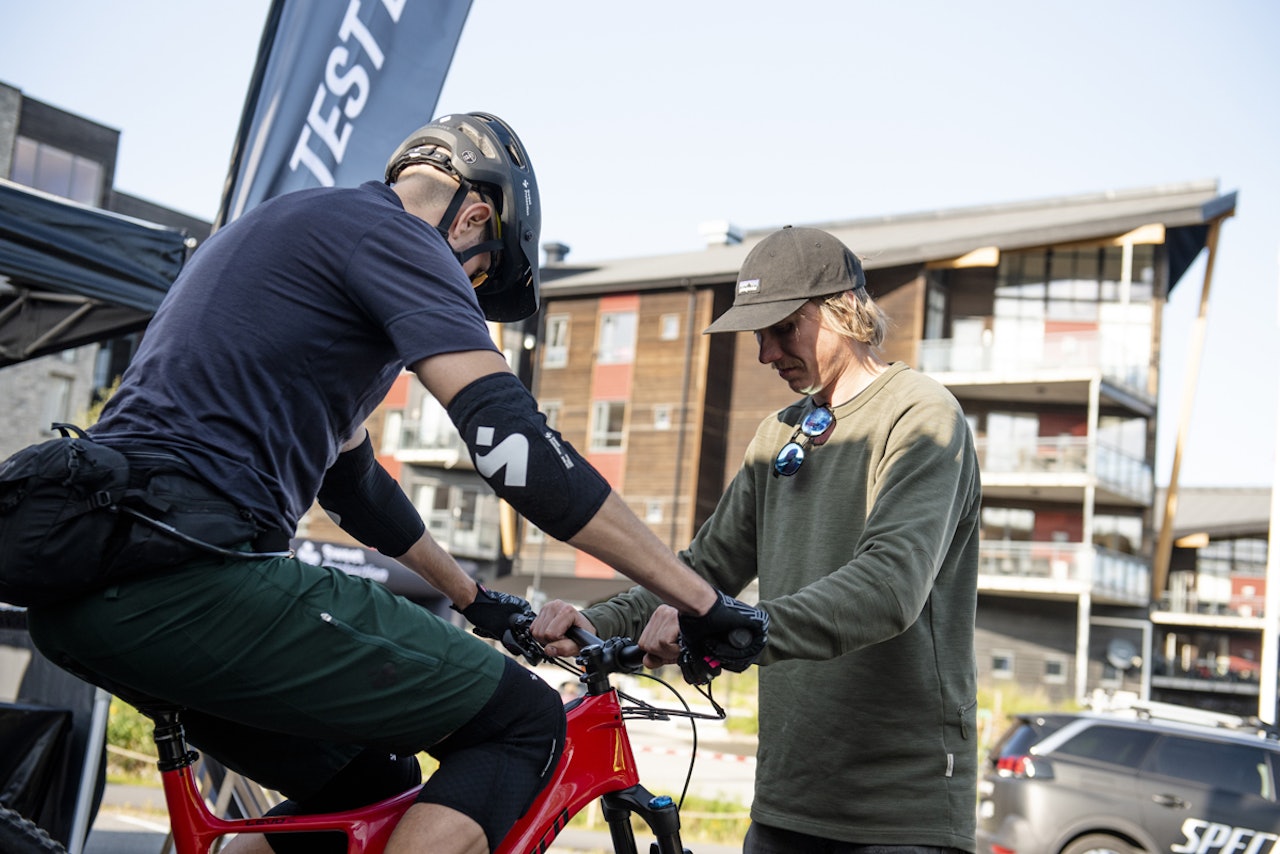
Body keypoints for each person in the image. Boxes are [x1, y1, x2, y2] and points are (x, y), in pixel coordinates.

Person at [20, 112, 766, 854]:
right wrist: (699, 601)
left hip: (86, 588)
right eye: (474, 279)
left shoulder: (294, 228)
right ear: (473, 215)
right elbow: (514, 448)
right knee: (523, 726)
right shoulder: (398, 237)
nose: (460, 297)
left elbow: (356, 488)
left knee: (372, 784)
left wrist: (483, 604)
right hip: (189, 575)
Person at [534, 225, 982, 854]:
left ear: (843, 311)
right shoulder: (779, 433)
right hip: (785, 799)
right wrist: (593, 618)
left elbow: (889, 586)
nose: (766, 353)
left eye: (783, 329)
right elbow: (704, 569)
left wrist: (742, 626)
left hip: (898, 811)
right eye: (757, 335)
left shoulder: (920, 415)